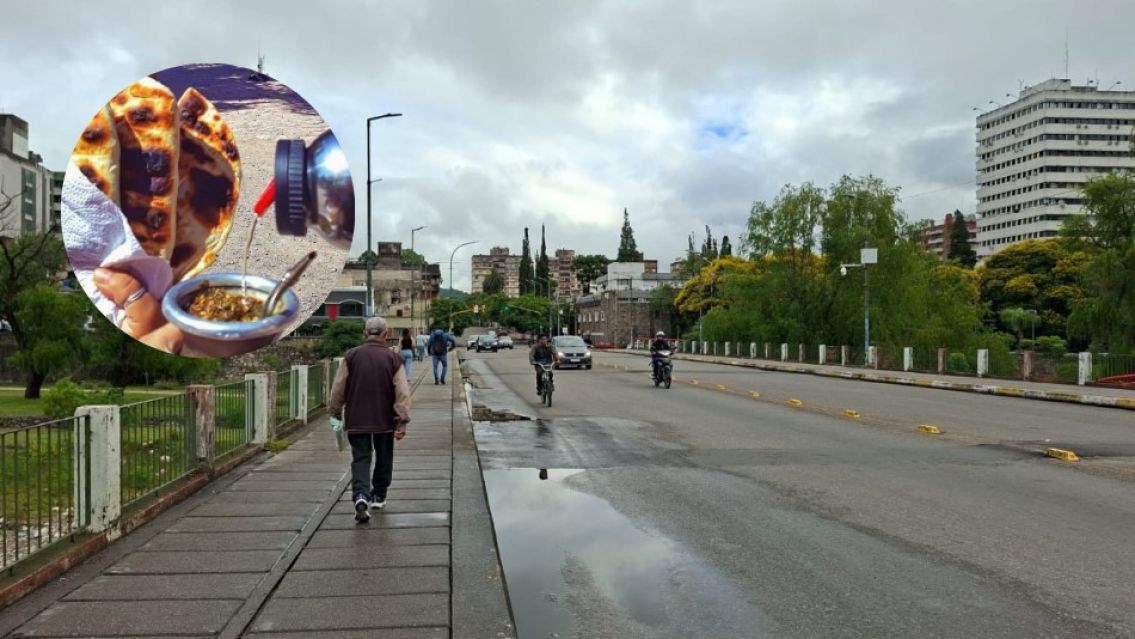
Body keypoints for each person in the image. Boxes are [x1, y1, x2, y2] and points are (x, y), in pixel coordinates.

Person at [328, 316, 412, 523]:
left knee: (361, 458)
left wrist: (335, 411)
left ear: (365, 333)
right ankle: (378, 495)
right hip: (384, 420)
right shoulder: (393, 359)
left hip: (356, 418)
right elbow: (402, 392)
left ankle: (360, 496)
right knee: (384, 457)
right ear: (387, 334)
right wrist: (401, 420)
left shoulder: (351, 356)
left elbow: (338, 387)